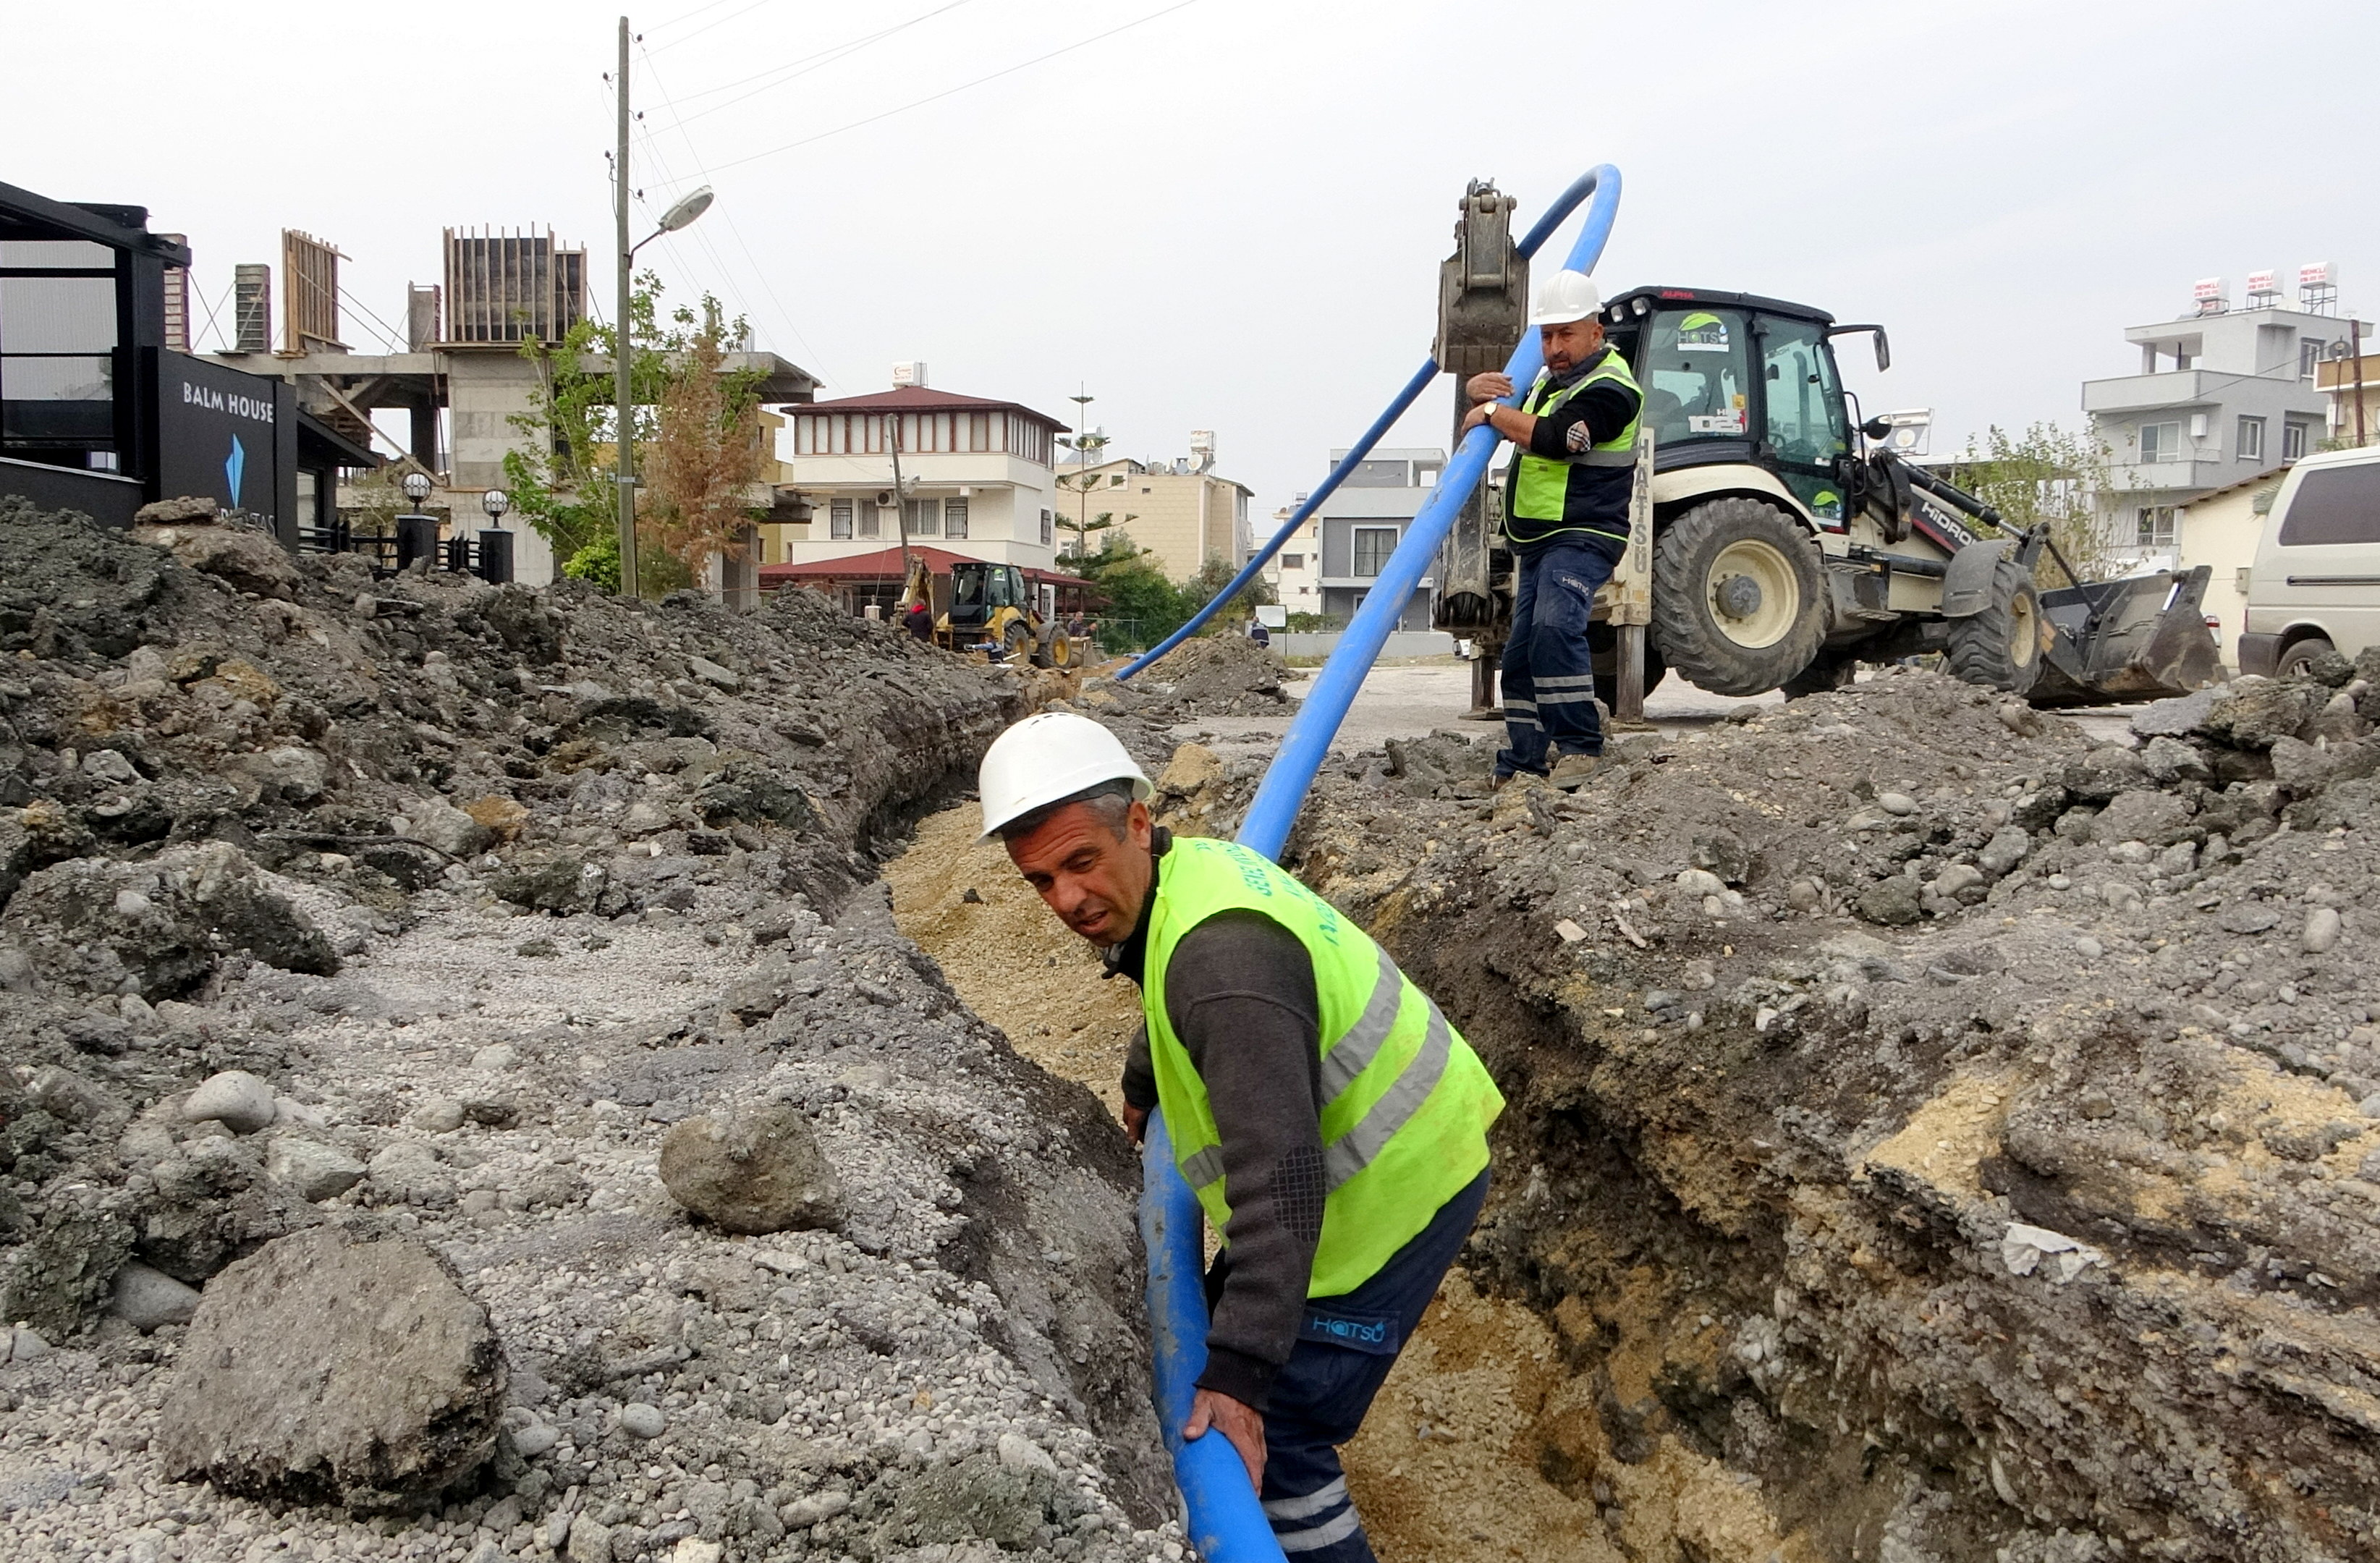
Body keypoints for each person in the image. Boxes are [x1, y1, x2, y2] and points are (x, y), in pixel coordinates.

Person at [978, 712, 1504, 1563]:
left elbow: (1282, 1181)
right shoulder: (1188, 876)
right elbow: (1157, 965)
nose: (1067, 900)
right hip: (1378, 1154)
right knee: (1239, 1334)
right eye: (1040, 880)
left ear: (1138, 824)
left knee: (1281, 1432)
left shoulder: (1224, 968)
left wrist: (1240, 1379)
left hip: (1394, 1196)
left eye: (1081, 862)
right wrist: (1147, 1083)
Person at [1461, 268, 1643, 789]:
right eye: (1547, 336)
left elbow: (1561, 439)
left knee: (1553, 631)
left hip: (1585, 532)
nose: (1555, 347)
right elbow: (1491, 413)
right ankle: (1524, 760)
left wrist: (1493, 410)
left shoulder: (1610, 391)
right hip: (1538, 537)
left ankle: (1582, 749)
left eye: (1566, 334)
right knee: (1519, 653)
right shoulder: (1549, 381)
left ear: (1596, 332)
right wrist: (1480, 390)